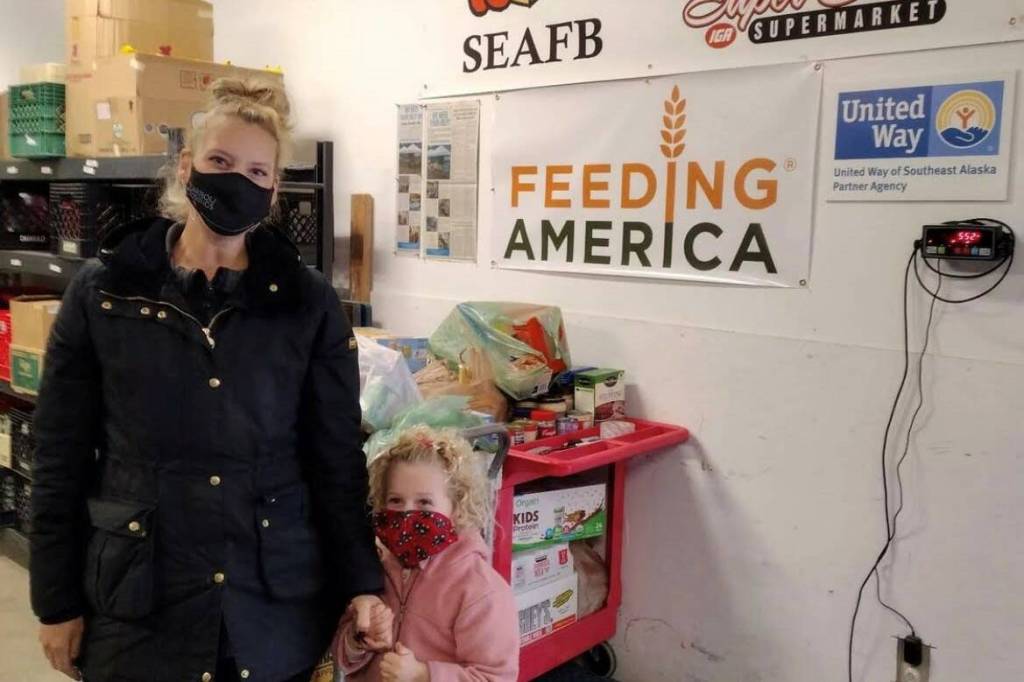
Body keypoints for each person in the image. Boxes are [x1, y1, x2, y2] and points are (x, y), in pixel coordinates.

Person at [29, 77, 385, 682]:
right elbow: (59, 456)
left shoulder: (307, 302)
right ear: (187, 166)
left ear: (273, 190)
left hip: (270, 599)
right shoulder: (106, 290)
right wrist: (56, 601)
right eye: (220, 161)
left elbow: (335, 458)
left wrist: (361, 583)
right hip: (141, 597)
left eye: (256, 171)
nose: (235, 180)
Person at [334, 426, 519, 681]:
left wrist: (424, 675)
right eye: (396, 501)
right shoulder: (373, 566)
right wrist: (360, 639)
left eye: (424, 503)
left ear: (457, 507)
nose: (407, 515)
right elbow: (344, 657)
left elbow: (495, 677)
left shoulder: (480, 590)